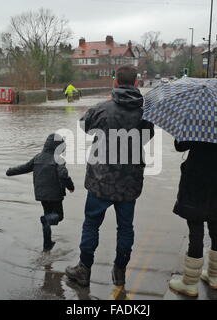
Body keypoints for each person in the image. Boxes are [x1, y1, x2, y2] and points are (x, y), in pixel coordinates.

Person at [65, 66, 154, 287]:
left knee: (91, 224)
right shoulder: (145, 112)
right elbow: (148, 135)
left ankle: (84, 269)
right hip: (129, 182)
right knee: (125, 227)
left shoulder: (102, 108)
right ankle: (120, 271)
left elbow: (84, 126)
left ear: (115, 82)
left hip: (100, 180)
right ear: (136, 83)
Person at [169, 140, 217, 297]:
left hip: (196, 181)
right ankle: (214, 277)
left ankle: (189, 283)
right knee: (216, 226)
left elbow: (179, 145)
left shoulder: (197, 119)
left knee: (195, 228)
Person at [6, 133, 75, 251]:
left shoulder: (37, 157)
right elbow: (63, 174)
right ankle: (47, 226)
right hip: (55, 195)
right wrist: (70, 186)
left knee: (47, 218)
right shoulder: (58, 160)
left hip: (41, 195)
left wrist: (10, 171)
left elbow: (24, 167)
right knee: (58, 216)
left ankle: (47, 245)